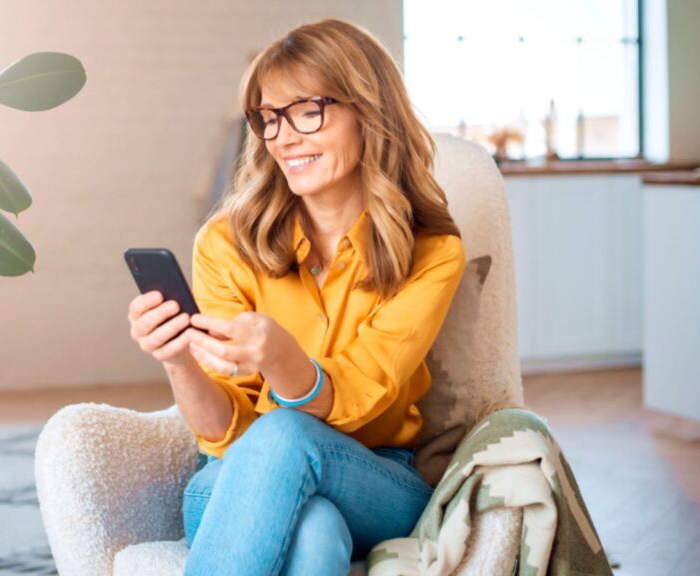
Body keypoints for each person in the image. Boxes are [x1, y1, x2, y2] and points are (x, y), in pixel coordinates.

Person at [127, 18, 466, 576]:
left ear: (370, 113)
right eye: (269, 118)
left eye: (308, 110)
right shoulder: (224, 243)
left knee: (286, 432)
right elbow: (224, 434)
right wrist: (178, 360)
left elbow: (363, 390)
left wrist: (282, 360)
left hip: (374, 478)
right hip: (231, 476)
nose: (283, 136)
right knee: (312, 534)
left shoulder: (432, 253)